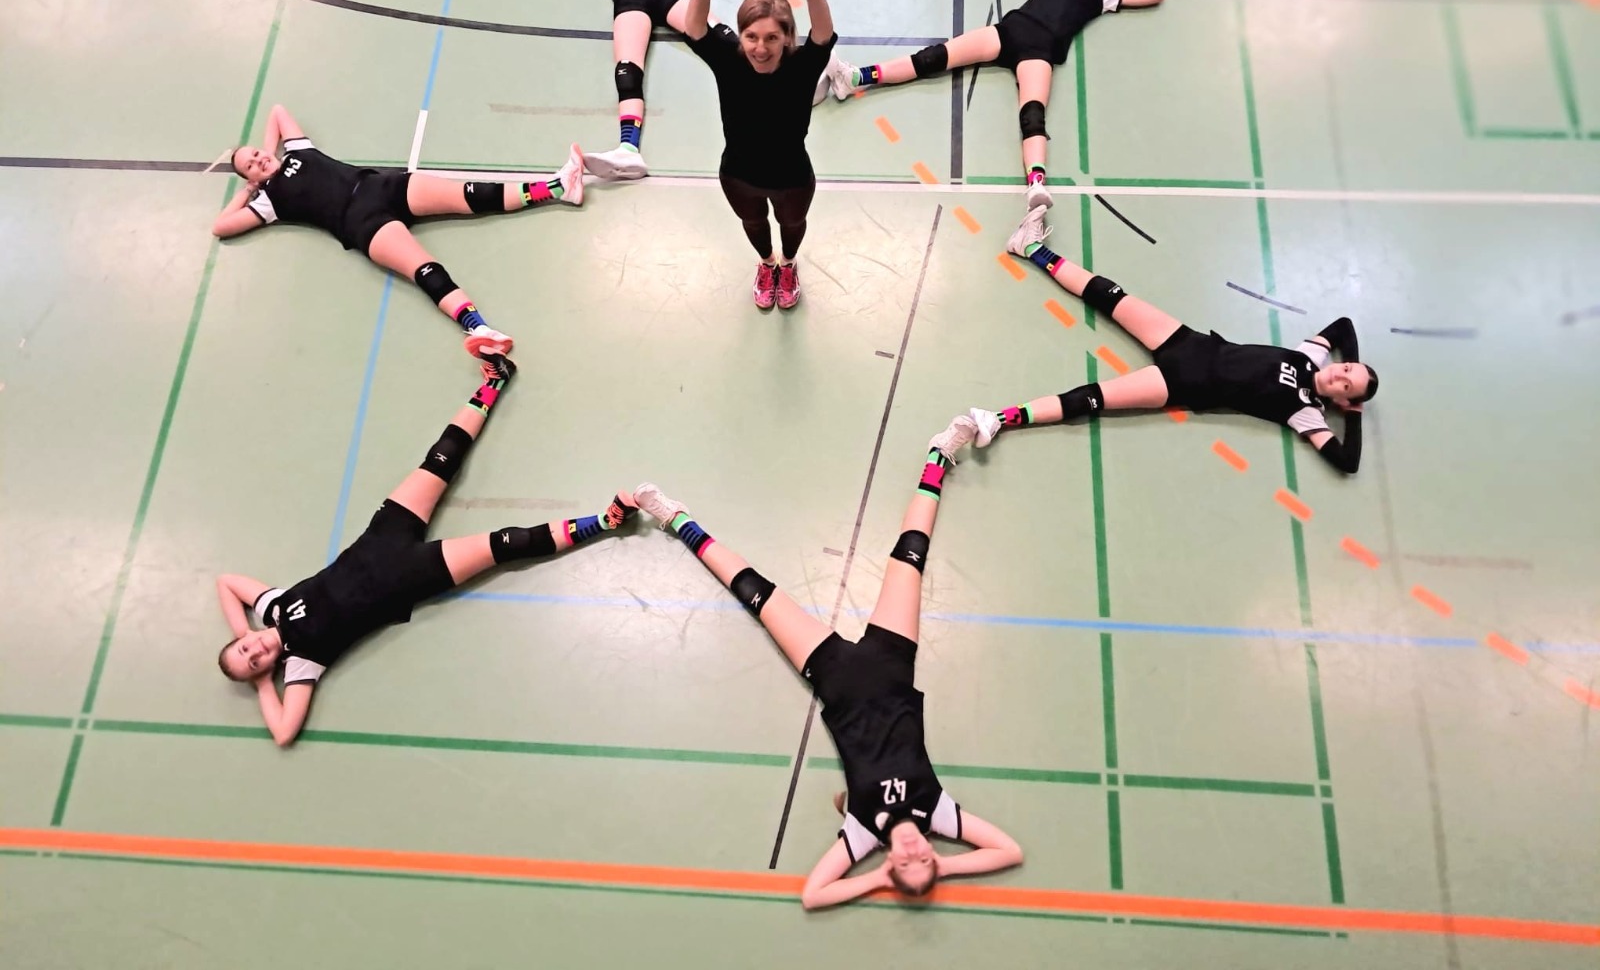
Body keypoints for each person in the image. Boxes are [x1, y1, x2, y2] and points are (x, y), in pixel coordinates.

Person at [631, 415, 1024, 908]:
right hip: (892, 663)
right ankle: (938, 457)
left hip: (834, 676)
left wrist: (878, 879)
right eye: (925, 858)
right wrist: (947, 865)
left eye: (906, 864)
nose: (914, 852)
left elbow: (815, 895)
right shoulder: (940, 815)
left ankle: (676, 520)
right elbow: (1008, 850)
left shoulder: (862, 832)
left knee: (753, 590)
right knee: (911, 555)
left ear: (890, 864)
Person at [213, 355, 638, 745]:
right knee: (506, 544)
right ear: (265, 671)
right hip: (412, 574)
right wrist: (265, 684)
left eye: (244, 649)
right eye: (253, 663)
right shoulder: (302, 663)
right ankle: (608, 521)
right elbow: (284, 731)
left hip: (381, 535)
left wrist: (241, 634)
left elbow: (227, 582)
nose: (254, 652)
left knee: (440, 459)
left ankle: (495, 379)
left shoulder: (273, 607)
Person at [959, 207, 1376, 473]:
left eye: (1346, 385)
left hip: (1182, 386)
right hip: (1190, 343)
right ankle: (1029, 246)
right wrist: (1354, 368)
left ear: (1342, 401)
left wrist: (1353, 414)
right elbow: (1343, 326)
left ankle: (997, 419)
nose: (1340, 374)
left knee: (1092, 398)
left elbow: (1347, 462)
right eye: (1346, 369)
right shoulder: (1310, 358)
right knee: (1110, 295)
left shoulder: (1306, 413)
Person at [211, 104, 598, 359]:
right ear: (249, 178)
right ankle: (481, 330)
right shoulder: (268, 202)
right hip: (363, 224)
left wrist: (267, 152)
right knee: (425, 269)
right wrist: (249, 190)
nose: (259, 159)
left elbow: (278, 112)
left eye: (257, 154)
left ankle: (561, 188)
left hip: (386, 187)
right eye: (251, 165)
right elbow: (220, 227)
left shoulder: (296, 150)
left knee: (471, 194)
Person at [826, 0, 1165, 210]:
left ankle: (1036, 183)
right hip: (1009, 32)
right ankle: (855, 78)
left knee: (1033, 115)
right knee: (934, 57)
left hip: (1041, 52)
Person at [536, 0, 840, 180]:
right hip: (630, 5)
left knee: (722, 38)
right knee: (627, 72)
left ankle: (794, 82)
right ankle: (628, 149)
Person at [681, 0, 838, 309]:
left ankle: (788, 264)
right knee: (753, 224)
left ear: (787, 37)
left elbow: (823, 33)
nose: (760, 48)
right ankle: (767, 264)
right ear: (741, 36)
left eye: (771, 38)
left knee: (792, 225)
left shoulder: (802, 67)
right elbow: (695, 30)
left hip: (793, 178)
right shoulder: (728, 61)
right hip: (738, 175)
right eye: (751, 36)